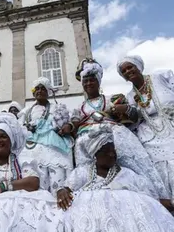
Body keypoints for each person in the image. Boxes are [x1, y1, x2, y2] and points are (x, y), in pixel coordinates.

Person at [62, 59, 167, 198]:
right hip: (87, 142)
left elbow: (135, 116)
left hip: (114, 136)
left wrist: (123, 109)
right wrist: (68, 127)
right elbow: (74, 122)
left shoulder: (112, 98)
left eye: (92, 80)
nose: (88, 83)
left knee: (132, 167)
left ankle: (153, 197)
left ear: (98, 81)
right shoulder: (79, 108)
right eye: (85, 81)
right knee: (89, 172)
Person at [57, 129, 174, 231]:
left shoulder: (127, 174)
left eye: (113, 150)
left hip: (127, 222)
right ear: (95, 155)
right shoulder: (82, 172)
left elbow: (150, 200)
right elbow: (66, 188)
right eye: (106, 151)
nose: (112, 154)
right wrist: (62, 191)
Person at [117, 55, 174, 200]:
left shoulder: (160, 77)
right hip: (151, 135)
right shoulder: (131, 97)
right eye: (124, 71)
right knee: (163, 172)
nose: (128, 71)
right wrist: (126, 110)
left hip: (171, 125)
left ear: (138, 66)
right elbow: (135, 119)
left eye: (130, 67)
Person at [18, 77, 73, 195]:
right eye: (37, 89)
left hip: (54, 150)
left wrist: (67, 126)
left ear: (48, 91)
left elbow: (68, 123)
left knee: (57, 185)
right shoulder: (26, 111)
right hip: (33, 152)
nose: (39, 91)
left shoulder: (57, 108)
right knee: (39, 186)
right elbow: (19, 128)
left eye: (43, 89)